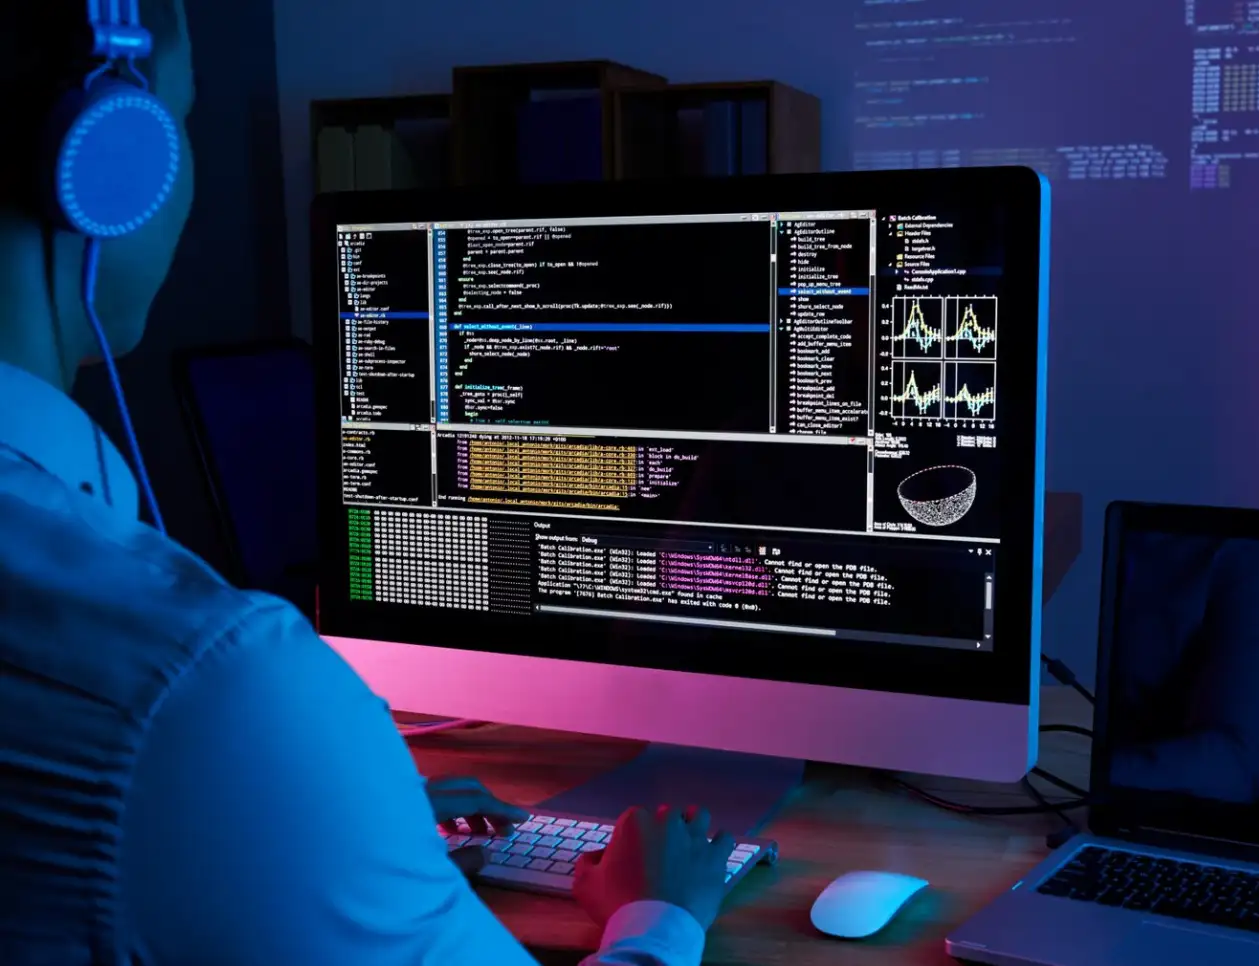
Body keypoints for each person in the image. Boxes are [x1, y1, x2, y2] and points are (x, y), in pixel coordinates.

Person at [0, 3, 731, 964]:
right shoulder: (213, 686)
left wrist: (325, 818)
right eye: (180, 118)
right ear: (107, 163)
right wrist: (660, 915)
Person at [1106, 531, 1259, 804]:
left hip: (1157, 810)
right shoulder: (1079, 531)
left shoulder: (1244, 559)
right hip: (1065, 787)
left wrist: (1092, 772)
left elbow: (1232, 763)